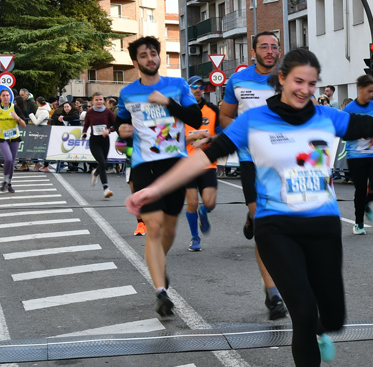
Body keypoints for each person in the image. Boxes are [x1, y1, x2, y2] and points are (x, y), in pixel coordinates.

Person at [127, 47, 373, 367]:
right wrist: (155, 189)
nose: (305, 89)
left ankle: (321, 330)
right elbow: (203, 156)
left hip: (323, 226)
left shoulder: (328, 116)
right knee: (303, 313)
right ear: (281, 79)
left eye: (311, 83)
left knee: (333, 318)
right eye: (298, 81)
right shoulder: (254, 120)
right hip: (276, 227)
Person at [116, 36, 206, 317]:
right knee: (153, 228)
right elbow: (121, 124)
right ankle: (160, 292)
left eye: (154, 53)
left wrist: (166, 102)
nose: (150, 59)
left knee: (169, 229)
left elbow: (195, 118)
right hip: (144, 166)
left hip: (174, 165)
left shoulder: (177, 85)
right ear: (135, 62)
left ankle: (159, 265)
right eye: (143, 55)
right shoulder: (127, 93)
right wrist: (122, 131)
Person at [221, 32, 288, 322]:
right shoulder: (238, 80)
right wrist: (243, 131)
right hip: (252, 159)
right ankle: (273, 293)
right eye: (264, 46)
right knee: (265, 229)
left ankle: (250, 217)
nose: (270, 51)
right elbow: (225, 116)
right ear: (253, 51)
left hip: (285, 161)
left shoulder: (289, 78)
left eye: (274, 46)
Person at [342, 75, 373, 235]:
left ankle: (367, 203)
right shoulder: (349, 109)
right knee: (360, 189)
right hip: (355, 156)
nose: (371, 94)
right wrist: (364, 131)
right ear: (360, 89)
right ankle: (358, 223)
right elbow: (344, 133)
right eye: (368, 91)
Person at [183, 78, 219, 251]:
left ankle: (204, 212)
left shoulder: (212, 110)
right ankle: (194, 237)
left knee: (209, 203)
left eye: (201, 86)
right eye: (194, 86)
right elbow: (168, 139)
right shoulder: (180, 111)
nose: (198, 89)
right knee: (192, 202)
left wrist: (208, 139)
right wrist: (193, 137)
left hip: (207, 162)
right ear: (188, 89)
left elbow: (223, 134)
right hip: (187, 163)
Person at [0, 88, 26, 193]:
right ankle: (5, 180)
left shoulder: (15, 108)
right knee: (8, 159)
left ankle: (9, 183)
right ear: (0, 97)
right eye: (3, 95)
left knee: (12, 162)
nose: (5, 97)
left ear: (10, 97)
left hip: (14, 137)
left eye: (7, 95)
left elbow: (24, 125)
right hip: (2, 138)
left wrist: (17, 118)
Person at [80, 92, 117, 200]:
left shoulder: (108, 112)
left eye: (101, 99)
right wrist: (84, 133)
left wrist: (109, 130)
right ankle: (106, 189)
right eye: (96, 100)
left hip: (105, 141)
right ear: (92, 101)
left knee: (103, 163)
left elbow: (116, 125)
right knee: (102, 163)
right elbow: (86, 125)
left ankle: (95, 172)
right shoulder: (90, 113)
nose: (99, 101)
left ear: (104, 101)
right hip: (94, 141)